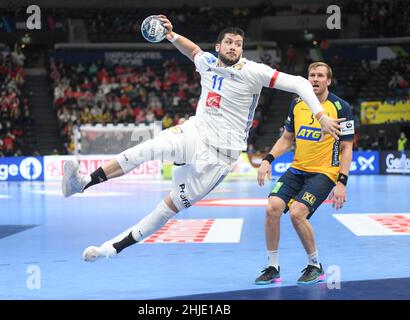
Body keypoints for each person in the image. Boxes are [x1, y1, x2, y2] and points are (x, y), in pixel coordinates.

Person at [61, 15, 343, 262]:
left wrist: (319, 115)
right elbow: (193, 50)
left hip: (220, 158)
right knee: (146, 148)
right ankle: (82, 183)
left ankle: (112, 249)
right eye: (229, 42)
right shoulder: (208, 62)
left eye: (239, 43)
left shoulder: (253, 71)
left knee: (169, 207)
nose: (234, 47)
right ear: (219, 47)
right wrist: (171, 35)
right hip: (195, 132)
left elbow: (298, 83)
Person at [255, 62, 354, 285]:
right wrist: (267, 160)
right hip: (297, 169)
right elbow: (287, 139)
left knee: (297, 213)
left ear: (329, 80)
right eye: (312, 75)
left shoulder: (341, 107)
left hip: (324, 172)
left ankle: (315, 265)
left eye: (320, 76)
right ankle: (272, 267)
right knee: (272, 208)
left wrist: (342, 182)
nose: (315, 79)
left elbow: (347, 147)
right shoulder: (297, 104)